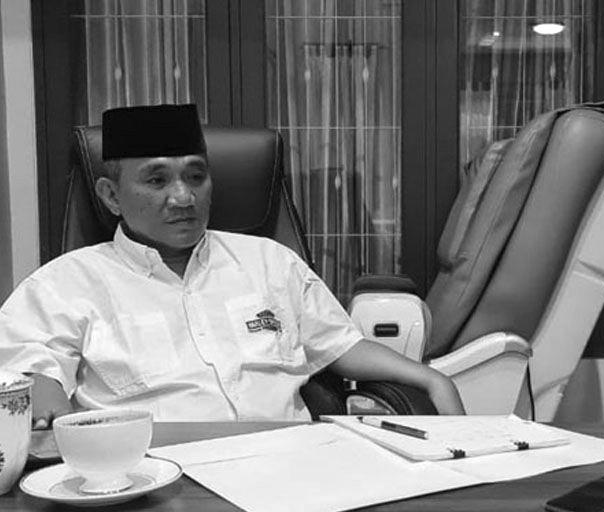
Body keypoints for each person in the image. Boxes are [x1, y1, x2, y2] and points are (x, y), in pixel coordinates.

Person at [0, 104, 464, 428]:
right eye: (157, 180)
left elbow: (337, 344)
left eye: (196, 176)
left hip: (291, 465)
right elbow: (27, 368)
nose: (183, 197)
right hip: (156, 477)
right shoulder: (65, 283)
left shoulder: (269, 261)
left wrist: (429, 376)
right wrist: (44, 398)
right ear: (110, 196)